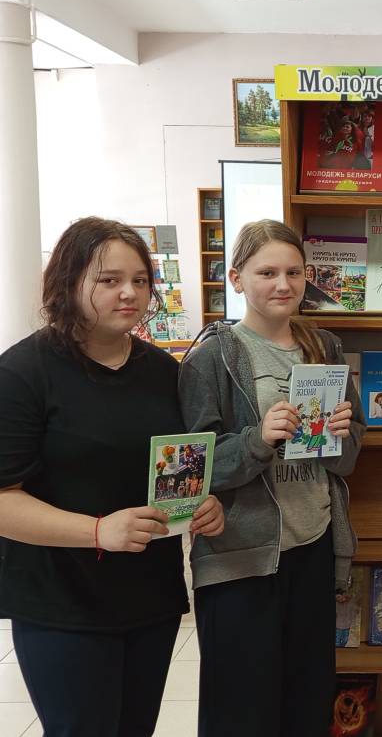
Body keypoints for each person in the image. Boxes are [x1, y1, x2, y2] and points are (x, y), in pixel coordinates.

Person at [0, 217, 224, 735]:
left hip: (150, 598)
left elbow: (175, 467)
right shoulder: (23, 373)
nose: (129, 293)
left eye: (140, 280)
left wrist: (200, 502)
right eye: (109, 280)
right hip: (62, 602)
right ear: (68, 282)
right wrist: (99, 531)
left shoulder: (166, 373)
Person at [179, 218, 366, 737]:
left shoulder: (324, 347)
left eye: (294, 272)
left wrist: (341, 435)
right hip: (241, 558)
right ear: (236, 278)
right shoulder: (212, 357)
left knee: (306, 701)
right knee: (242, 711)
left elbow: (349, 456)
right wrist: (258, 439)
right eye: (267, 273)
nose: (283, 285)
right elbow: (193, 468)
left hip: (313, 545)